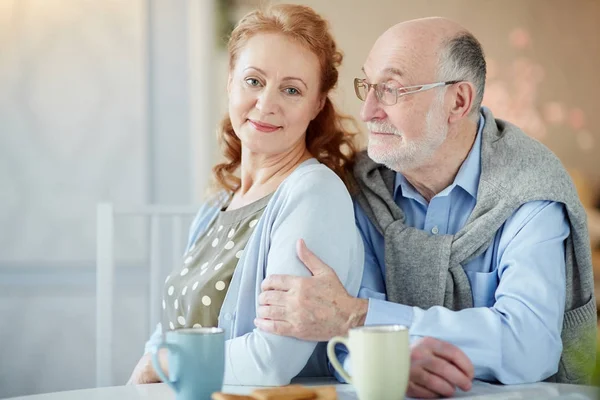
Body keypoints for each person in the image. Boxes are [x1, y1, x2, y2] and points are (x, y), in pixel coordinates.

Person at [255, 17, 597, 397]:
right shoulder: (361, 186)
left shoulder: (532, 188)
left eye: (391, 90)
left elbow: (528, 345)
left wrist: (362, 317)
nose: (368, 111)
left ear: (458, 101)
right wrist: (389, 359)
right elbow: (337, 331)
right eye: (367, 86)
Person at [127, 4, 365, 386]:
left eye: (291, 89)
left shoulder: (313, 193)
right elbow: (171, 332)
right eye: (253, 81)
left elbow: (271, 360)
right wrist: (146, 369)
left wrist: (162, 363)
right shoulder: (217, 204)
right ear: (230, 81)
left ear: (317, 104)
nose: (266, 104)